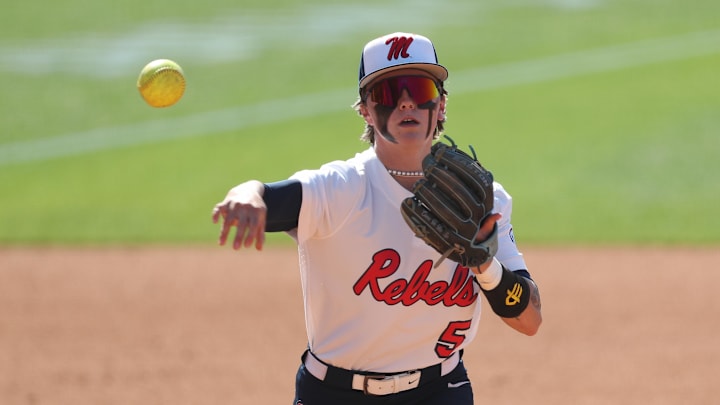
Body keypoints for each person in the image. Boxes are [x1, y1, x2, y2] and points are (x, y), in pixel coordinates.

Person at [212, 32, 542, 405]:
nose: (406, 104)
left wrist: (484, 264)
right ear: (366, 110)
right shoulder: (342, 189)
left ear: (441, 104)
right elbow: (268, 195)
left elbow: (529, 320)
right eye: (388, 93)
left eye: (418, 89)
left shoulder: (484, 200)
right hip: (334, 394)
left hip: (440, 391)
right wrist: (247, 196)